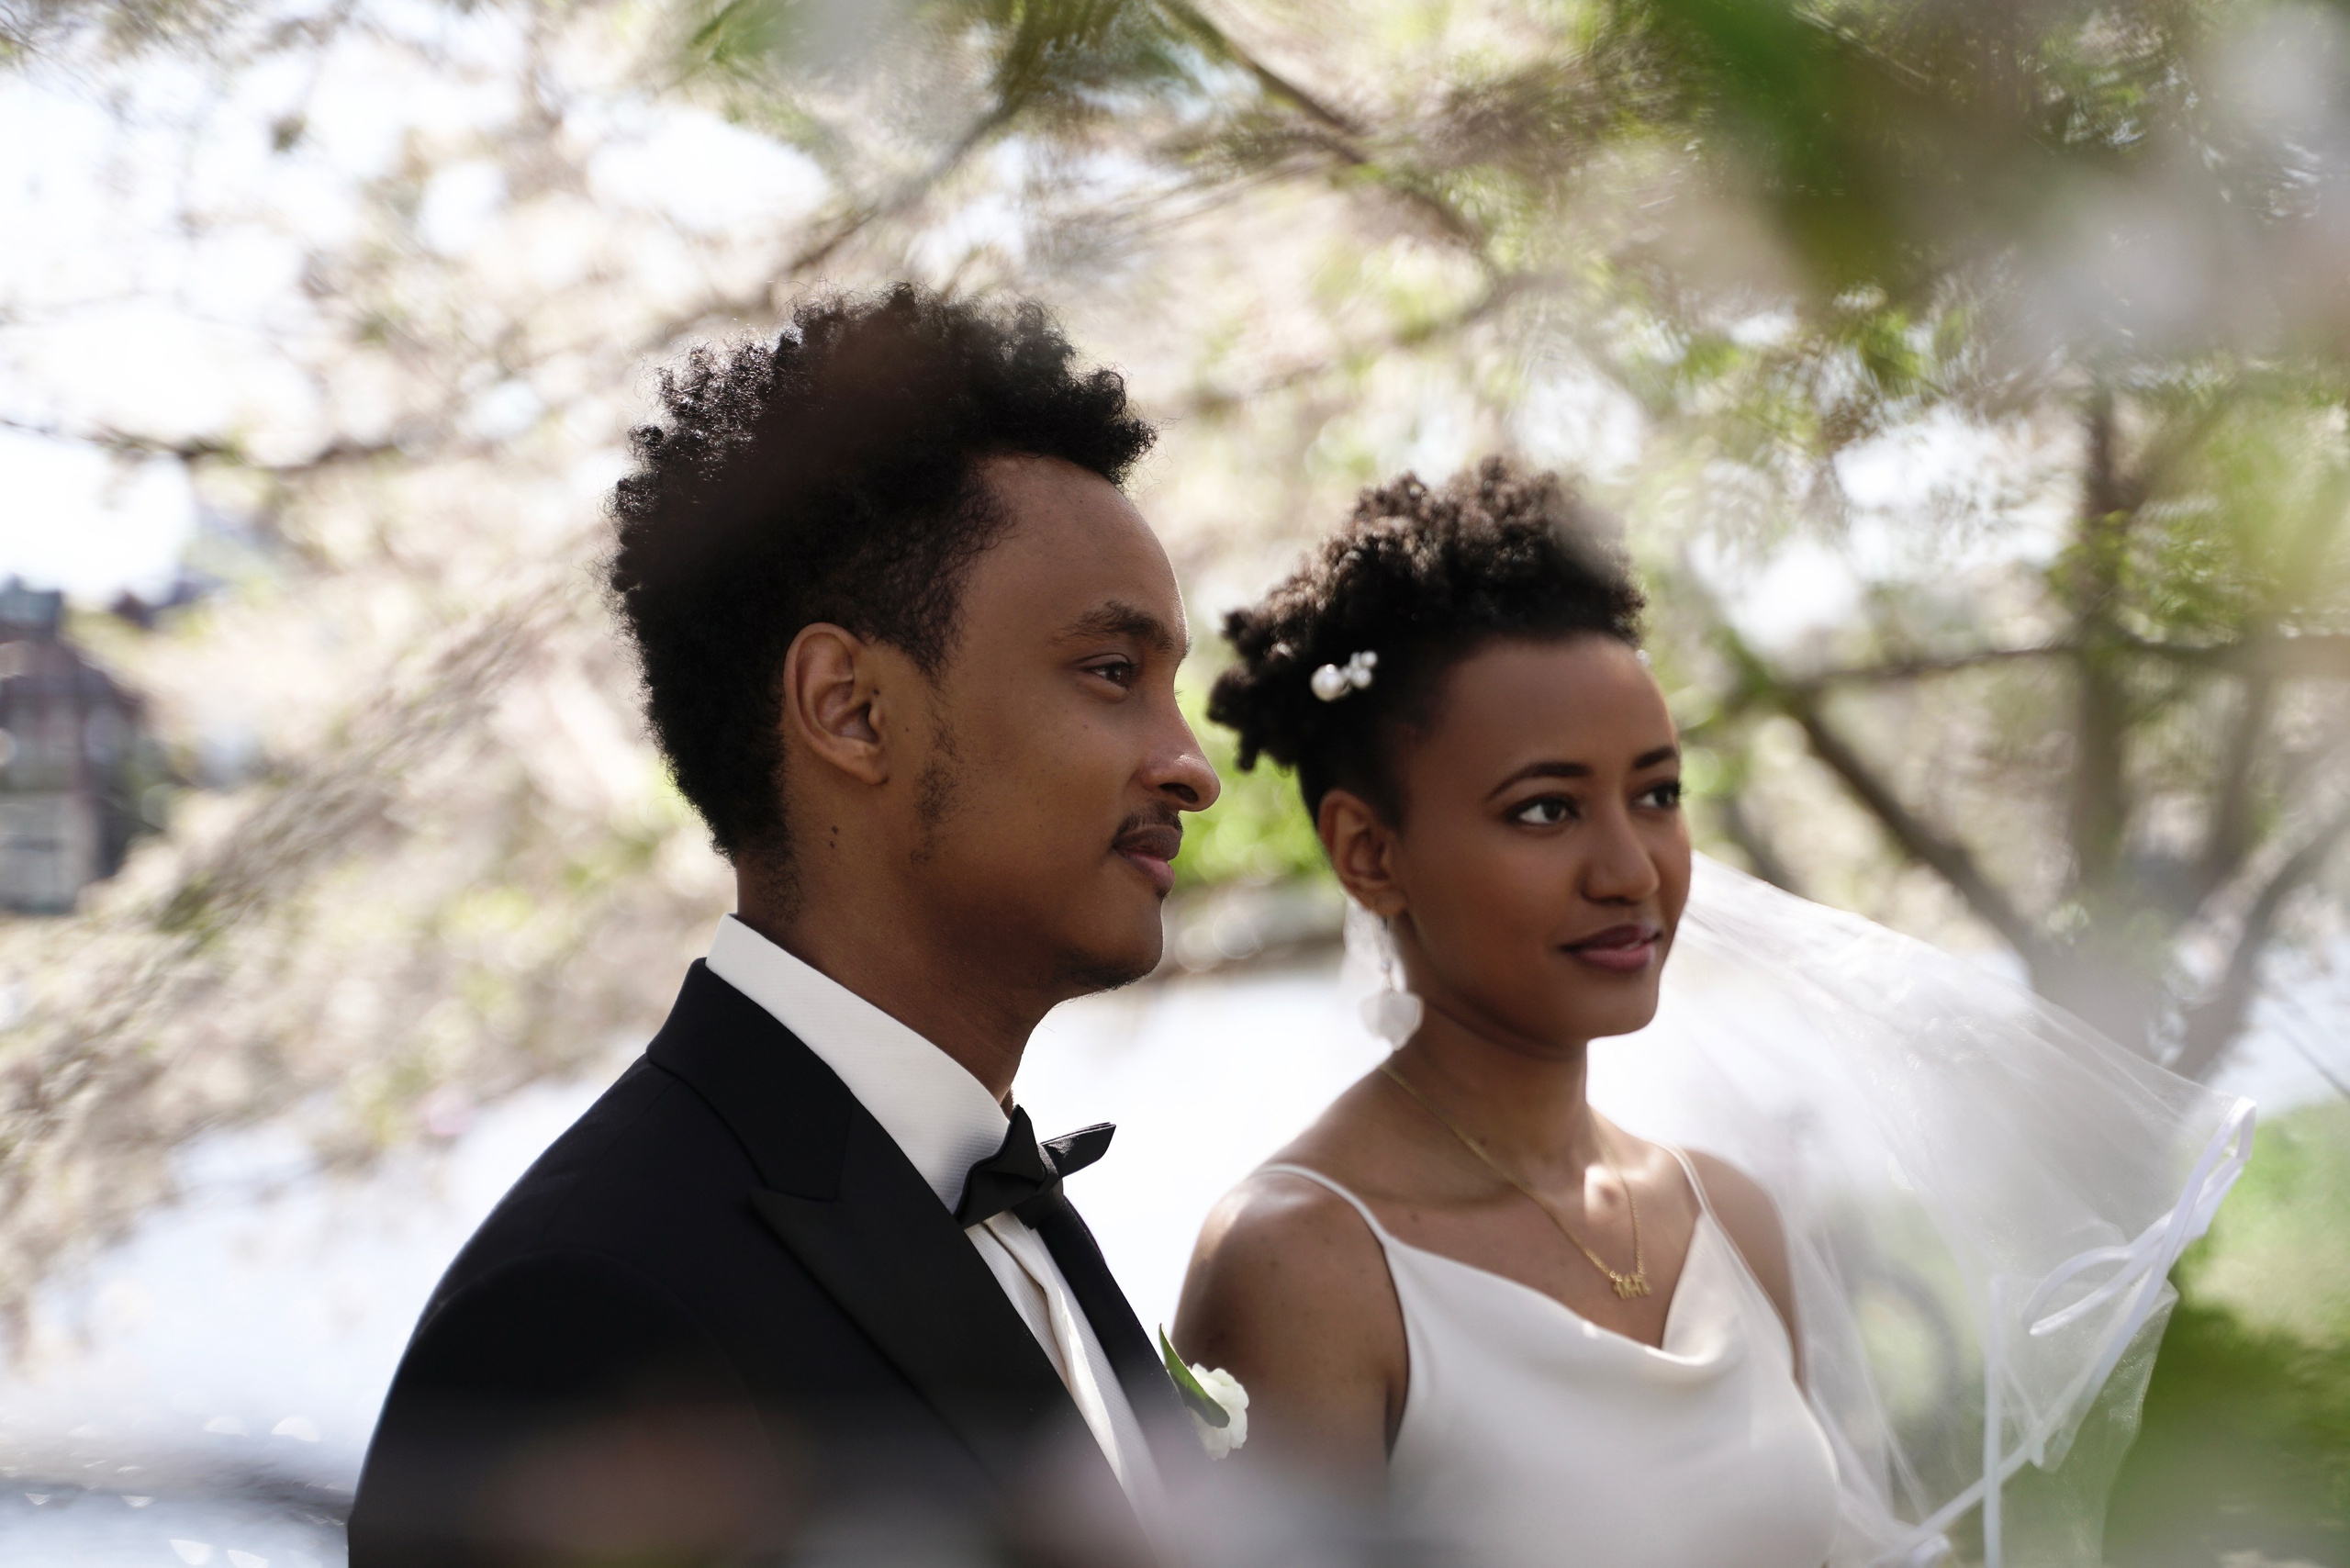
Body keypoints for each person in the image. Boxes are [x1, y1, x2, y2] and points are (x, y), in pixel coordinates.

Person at [348, 286, 1223, 1567]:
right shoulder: (585, 1314)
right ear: (851, 710)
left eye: (1172, 688)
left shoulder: (1019, 1213)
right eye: (1111, 674)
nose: (1190, 765)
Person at [1171, 459, 1841, 1567]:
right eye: (1544, 809)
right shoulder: (1303, 1265)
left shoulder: (1729, 1216)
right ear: (1366, 850)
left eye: (1657, 793)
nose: (1629, 869)